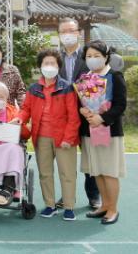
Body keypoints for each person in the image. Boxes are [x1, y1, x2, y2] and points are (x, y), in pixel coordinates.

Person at [14, 49, 80, 221]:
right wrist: (20, 118)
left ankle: (69, 207)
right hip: (41, 137)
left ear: (58, 66)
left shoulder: (67, 87)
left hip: (64, 138)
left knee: (67, 173)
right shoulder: (34, 88)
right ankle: (50, 205)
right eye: (46, 63)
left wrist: (68, 138)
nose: (49, 66)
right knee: (45, 173)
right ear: (40, 66)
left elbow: (74, 117)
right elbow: (26, 109)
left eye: (53, 63)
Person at [79, 40, 126, 225]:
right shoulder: (85, 78)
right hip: (90, 131)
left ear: (106, 57)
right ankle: (104, 206)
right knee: (97, 171)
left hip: (108, 131)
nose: (93, 59)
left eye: (97, 55)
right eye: (89, 56)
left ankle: (113, 209)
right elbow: (80, 102)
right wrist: (84, 110)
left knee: (109, 172)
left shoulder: (115, 76)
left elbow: (121, 105)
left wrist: (102, 118)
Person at [57, 17, 100, 209]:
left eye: (71, 31)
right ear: (59, 35)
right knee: (66, 160)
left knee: (91, 156)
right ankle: (67, 196)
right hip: (64, 117)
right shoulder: (54, 58)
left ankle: (94, 196)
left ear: (79, 33)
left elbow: (98, 82)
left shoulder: (89, 56)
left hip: (88, 115)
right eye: (64, 31)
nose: (68, 34)